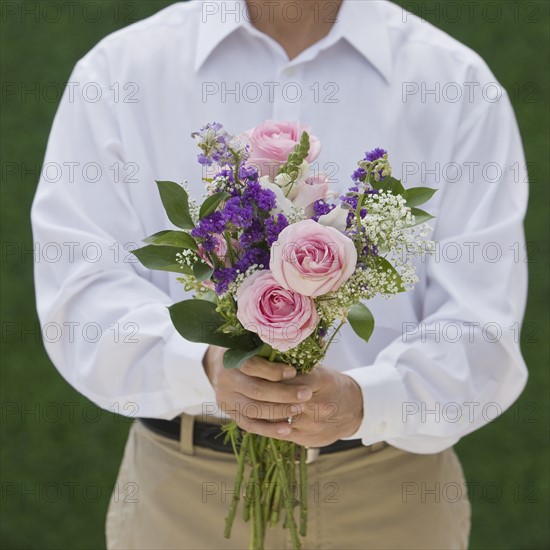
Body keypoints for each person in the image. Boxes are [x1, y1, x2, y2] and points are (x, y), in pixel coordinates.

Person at [31, 0, 529, 548]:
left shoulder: (453, 82)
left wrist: (367, 401)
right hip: (180, 496)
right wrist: (202, 365)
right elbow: (79, 291)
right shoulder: (121, 71)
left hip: (392, 497)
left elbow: (483, 323)